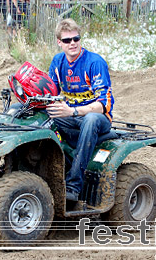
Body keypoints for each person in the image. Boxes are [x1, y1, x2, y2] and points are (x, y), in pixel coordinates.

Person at [47, 18, 114, 202]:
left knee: (91, 119)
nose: (73, 43)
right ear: (59, 42)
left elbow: (103, 105)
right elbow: (50, 92)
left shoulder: (94, 62)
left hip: (98, 118)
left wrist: (73, 112)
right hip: (70, 116)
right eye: (67, 40)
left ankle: (74, 185)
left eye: (76, 39)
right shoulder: (58, 61)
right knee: (41, 115)